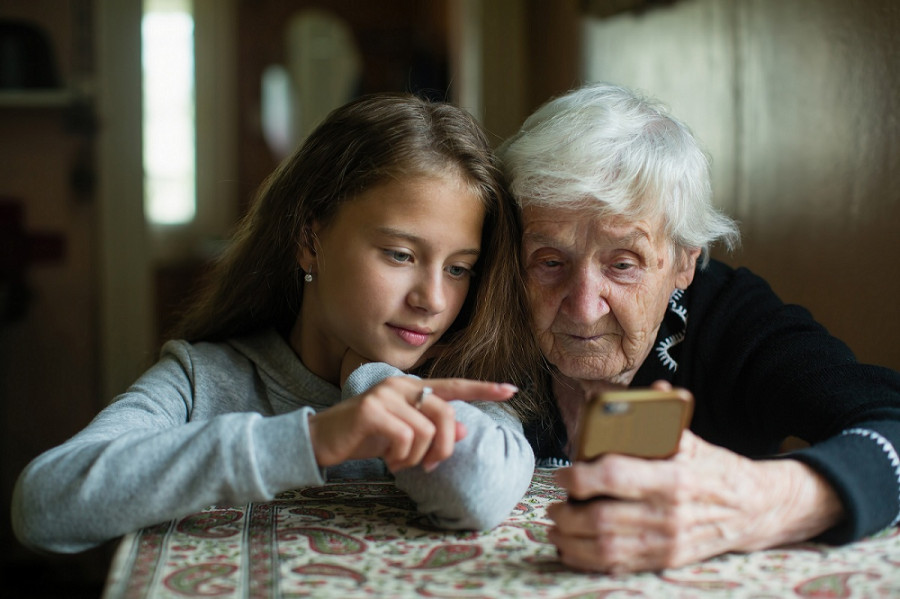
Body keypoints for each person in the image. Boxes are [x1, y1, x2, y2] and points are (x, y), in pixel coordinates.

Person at [12, 93, 545, 554]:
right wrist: (310, 440)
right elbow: (43, 506)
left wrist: (375, 379)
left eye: (458, 269)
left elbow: (477, 494)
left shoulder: (462, 382)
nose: (432, 300)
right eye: (400, 254)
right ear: (309, 240)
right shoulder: (205, 380)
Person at [496, 82, 900, 573]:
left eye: (623, 264)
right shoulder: (481, 315)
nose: (583, 308)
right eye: (550, 261)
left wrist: (757, 502)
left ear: (685, 263)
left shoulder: (731, 319)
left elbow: (890, 422)